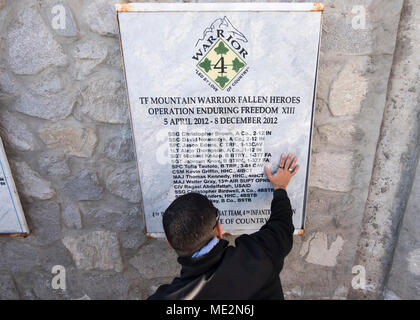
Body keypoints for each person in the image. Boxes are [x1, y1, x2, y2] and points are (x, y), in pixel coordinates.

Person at [148, 153, 300, 300]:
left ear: (168, 242)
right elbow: (282, 225)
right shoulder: (260, 255)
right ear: (219, 230)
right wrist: (280, 187)